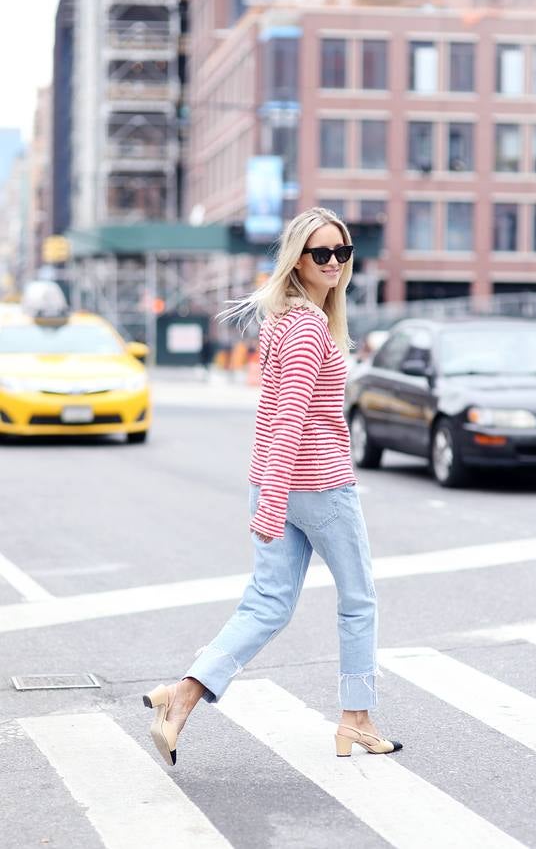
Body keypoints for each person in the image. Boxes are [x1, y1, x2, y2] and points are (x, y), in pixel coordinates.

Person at [142, 207, 402, 764]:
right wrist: (277, 498)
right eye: (320, 254)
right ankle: (355, 719)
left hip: (278, 485)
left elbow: (275, 413)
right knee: (358, 601)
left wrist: (270, 494)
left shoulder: (283, 320)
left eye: (343, 251)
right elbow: (289, 416)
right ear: (298, 260)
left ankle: (182, 697)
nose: (333, 262)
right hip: (319, 486)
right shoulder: (308, 326)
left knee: (267, 606)